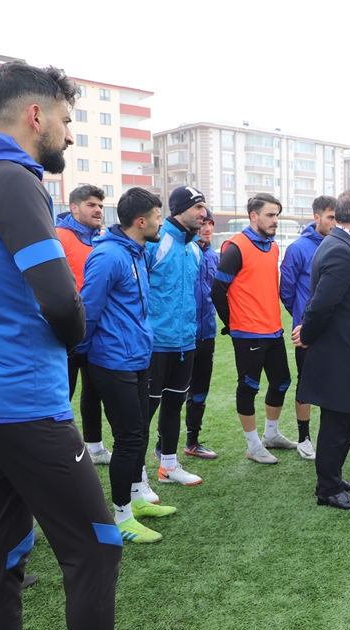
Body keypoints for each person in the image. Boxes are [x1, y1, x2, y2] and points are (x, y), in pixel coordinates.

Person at [0, 60, 121, 630]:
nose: (70, 134)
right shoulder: (11, 178)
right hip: (21, 400)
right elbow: (60, 298)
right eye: (67, 120)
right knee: (96, 548)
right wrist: (75, 337)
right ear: (34, 115)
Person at [80, 187, 176, 544]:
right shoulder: (108, 256)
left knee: (139, 433)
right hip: (113, 362)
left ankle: (136, 498)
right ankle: (120, 517)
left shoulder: (136, 251)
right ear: (140, 221)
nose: (161, 223)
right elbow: (87, 311)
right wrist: (86, 354)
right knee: (129, 437)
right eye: (157, 218)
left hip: (137, 358)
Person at [292, 190, 350, 510]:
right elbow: (321, 302)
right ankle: (328, 488)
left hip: (347, 346)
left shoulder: (342, 243)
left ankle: (333, 478)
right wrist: (308, 333)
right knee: (337, 423)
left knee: (346, 417)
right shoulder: (340, 247)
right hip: (341, 350)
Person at [211, 194, 296, 465]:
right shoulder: (236, 247)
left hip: (273, 330)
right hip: (247, 333)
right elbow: (217, 290)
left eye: (277, 215)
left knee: (282, 382)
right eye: (270, 215)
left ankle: (271, 435)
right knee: (249, 387)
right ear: (253, 216)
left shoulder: (273, 247)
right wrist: (233, 324)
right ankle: (253, 445)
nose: (275, 220)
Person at [145, 185, 206, 486]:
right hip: (155, 343)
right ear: (180, 210)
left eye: (203, 207)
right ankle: (135, 476)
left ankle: (168, 466)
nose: (203, 213)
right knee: (144, 412)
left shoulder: (194, 249)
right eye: (197, 207)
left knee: (173, 407)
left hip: (185, 342)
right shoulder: (155, 242)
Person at [280, 196, 337, 460]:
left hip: (335, 329)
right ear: (317, 217)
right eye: (330, 217)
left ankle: (329, 437)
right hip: (308, 332)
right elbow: (287, 291)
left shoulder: (339, 244)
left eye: (337, 217)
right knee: (307, 384)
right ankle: (304, 439)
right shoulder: (298, 248)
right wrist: (303, 319)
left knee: (333, 383)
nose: (334, 222)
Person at [56, 185, 109, 464]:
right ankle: (60, 453)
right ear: (74, 208)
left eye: (100, 205)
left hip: (96, 328)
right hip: (64, 331)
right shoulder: (58, 236)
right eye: (91, 205)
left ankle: (95, 448)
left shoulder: (103, 238)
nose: (98, 210)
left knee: (94, 389)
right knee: (62, 393)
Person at [184, 209, 219, 458]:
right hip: (182, 334)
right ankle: (162, 446)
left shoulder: (214, 256)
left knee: (200, 391)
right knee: (173, 393)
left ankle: (192, 442)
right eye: (203, 223)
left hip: (207, 333)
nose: (207, 228)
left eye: (211, 224)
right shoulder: (183, 251)